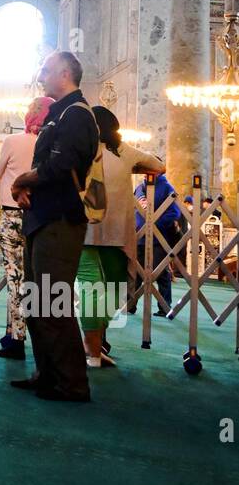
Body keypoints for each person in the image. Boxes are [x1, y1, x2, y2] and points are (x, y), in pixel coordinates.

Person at [10, 50, 99, 403]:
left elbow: (59, 167)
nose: (40, 75)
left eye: (45, 70)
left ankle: (72, 383)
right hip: (44, 217)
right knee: (37, 300)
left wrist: (21, 181)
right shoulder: (59, 113)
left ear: (65, 73)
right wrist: (28, 186)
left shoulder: (77, 114)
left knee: (52, 301)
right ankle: (47, 374)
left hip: (61, 219)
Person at [77, 107, 164, 368]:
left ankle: (92, 345)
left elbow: (158, 166)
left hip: (89, 229)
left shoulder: (89, 150)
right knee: (108, 289)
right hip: (106, 231)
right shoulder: (124, 152)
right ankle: (93, 349)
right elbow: (159, 166)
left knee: (97, 290)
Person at [0, 95, 54, 359]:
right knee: (34, 278)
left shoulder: (12, 141)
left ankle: (16, 339)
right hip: (40, 216)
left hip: (12, 215)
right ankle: (12, 334)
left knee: (15, 278)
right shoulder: (51, 146)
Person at [134, 171, 184, 315]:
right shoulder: (138, 188)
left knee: (160, 272)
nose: (145, 172)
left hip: (159, 238)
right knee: (136, 272)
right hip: (139, 237)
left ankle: (164, 307)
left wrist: (154, 225)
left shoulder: (167, 187)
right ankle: (131, 304)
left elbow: (174, 213)